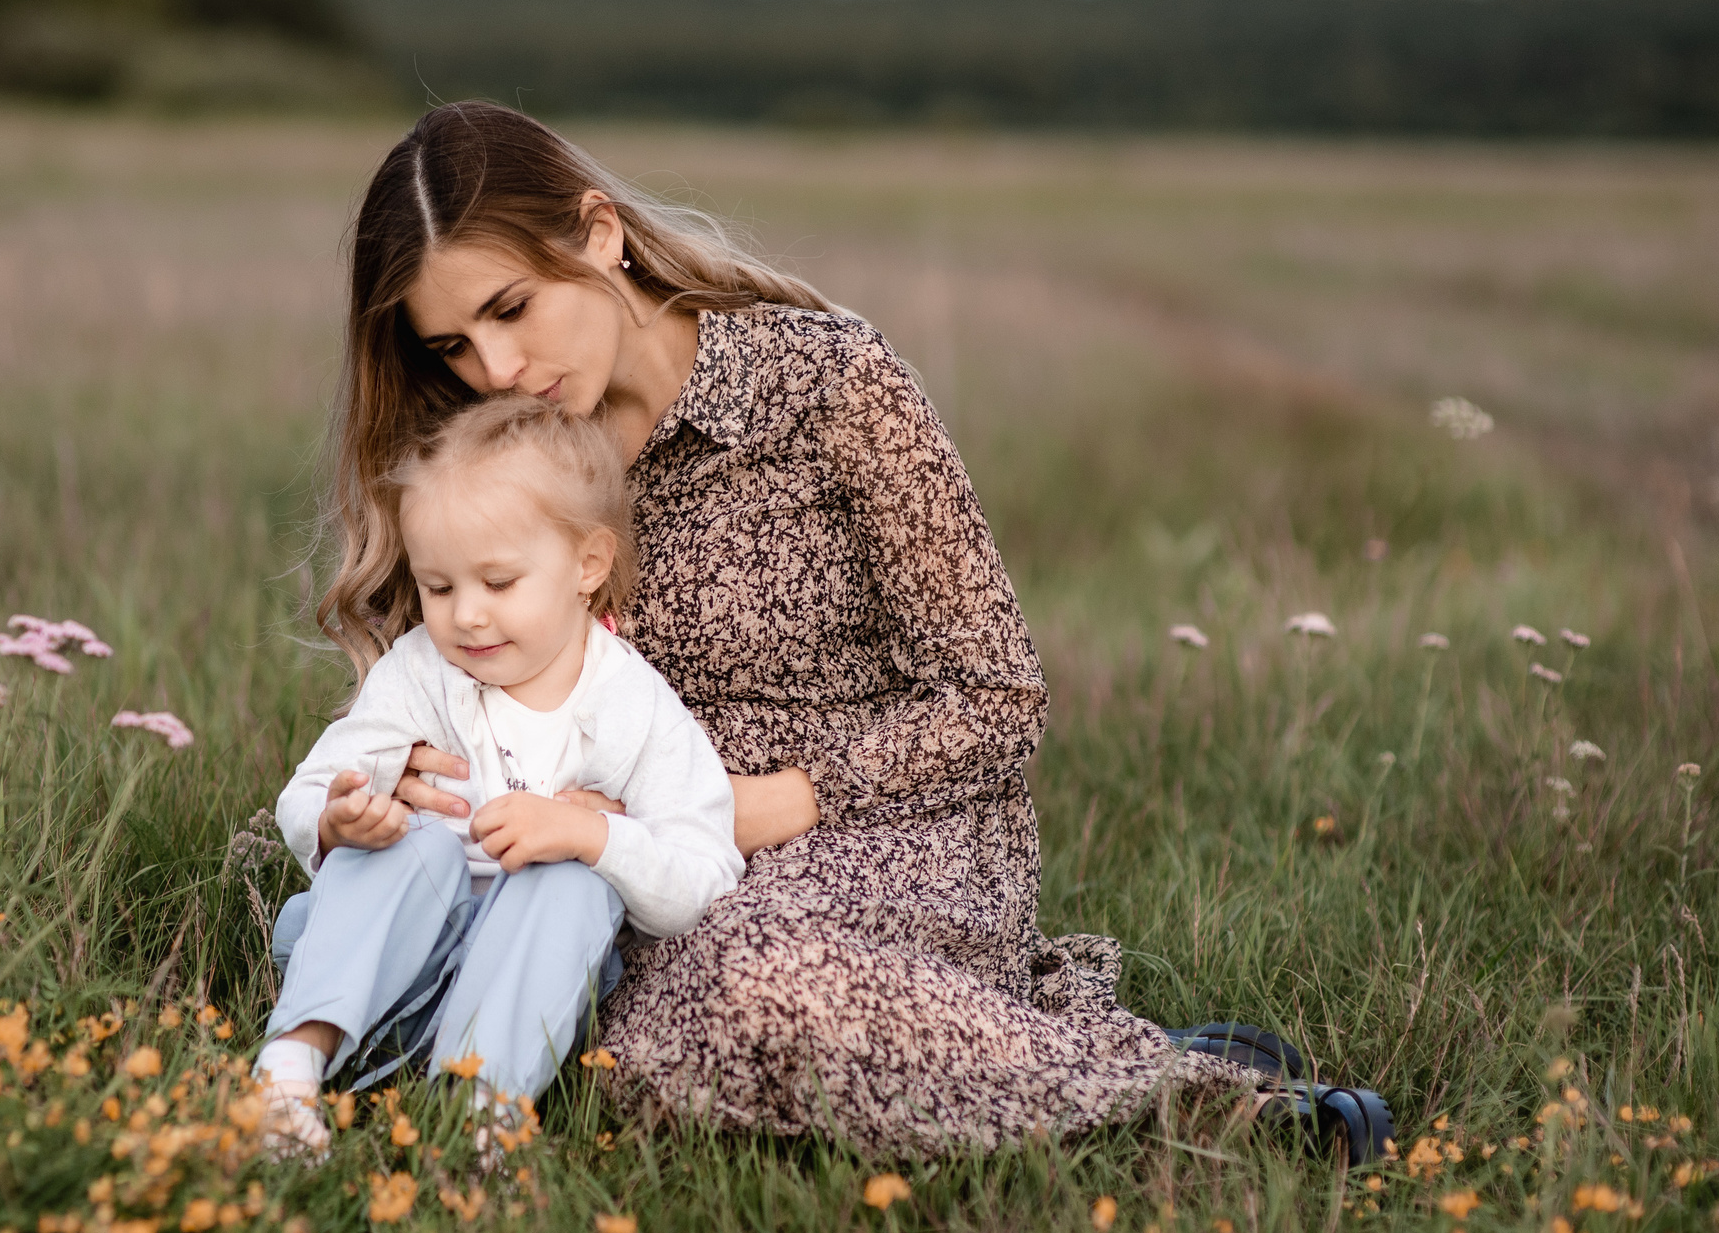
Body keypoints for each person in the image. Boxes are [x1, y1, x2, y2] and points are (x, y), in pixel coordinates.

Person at [309, 99, 1393, 1163]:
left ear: (598, 234)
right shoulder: (489, 448)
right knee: (491, 983)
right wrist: (404, 770)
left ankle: (1194, 1093)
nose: (495, 370)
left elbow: (997, 697)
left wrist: (767, 804)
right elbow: (448, 669)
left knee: (733, 987)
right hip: (611, 855)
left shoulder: (826, 383)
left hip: (879, 832)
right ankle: (974, 1038)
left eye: (513, 308)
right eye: (452, 344)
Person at [253, 394, 742, 1157]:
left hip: (525, 994)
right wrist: (334, 819)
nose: (467, 617)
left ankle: (481, 1107)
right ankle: (290, 1069)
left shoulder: (632, 706)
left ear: (588, 565)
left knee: (572, 876)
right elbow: (313, 785)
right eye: (439, 588)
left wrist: (594, 835)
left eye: (499, 583)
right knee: (416, 847)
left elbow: (707, 870)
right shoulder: (423, 672)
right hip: (391, 968)